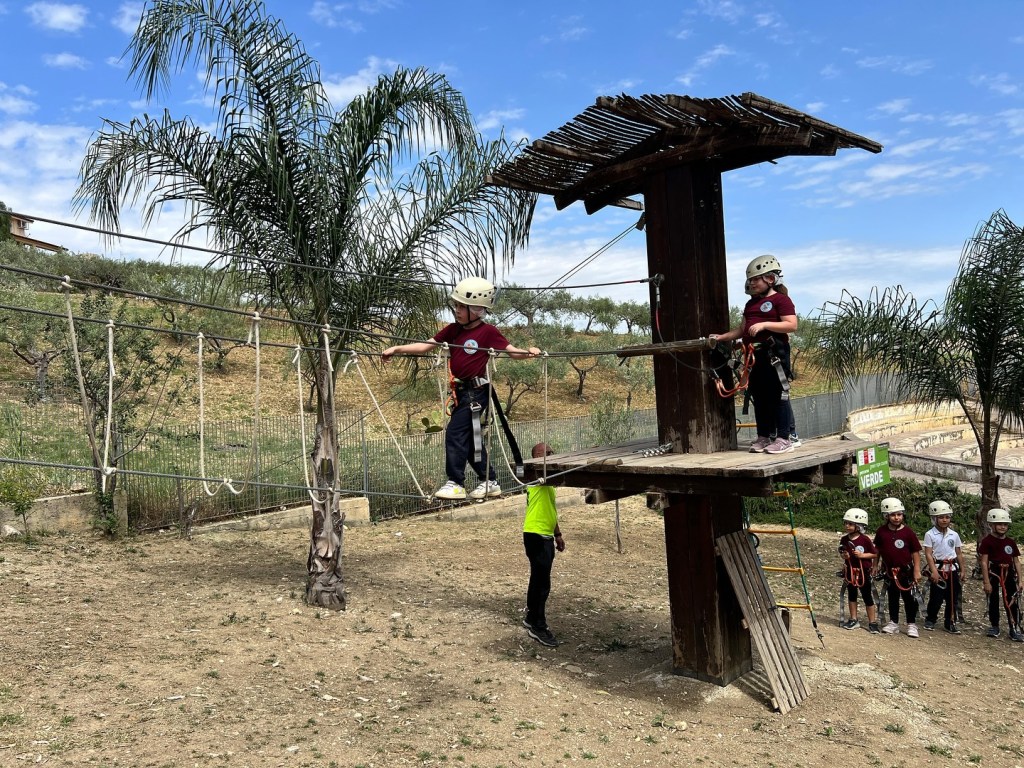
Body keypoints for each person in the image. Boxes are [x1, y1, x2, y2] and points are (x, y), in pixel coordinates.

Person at [382, 277, 540, 500]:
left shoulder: (488, 332)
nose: (456, 310)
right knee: (469, 439)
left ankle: (456, 482)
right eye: (455, 305)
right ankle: (489, 480)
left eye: (460, 306)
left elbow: (512, 351)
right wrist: (397, 348)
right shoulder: (453, 331)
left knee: (455, 434)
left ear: (476, 309)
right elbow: (427, 346)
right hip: (461, 393)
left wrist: (529, 352)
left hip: (477, 392)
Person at [710, 254, 798, 455]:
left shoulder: (781, 300)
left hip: (773, 353)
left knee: (778, 395)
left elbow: (791, 325)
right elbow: (742, 330)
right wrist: (722, 337)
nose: (752, 283)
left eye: (755, 279)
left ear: (770, 279)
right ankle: (764, 436)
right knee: (759, 396)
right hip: (754, 356)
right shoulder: (751, 305)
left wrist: (764, 324)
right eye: (750, 279)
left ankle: (784, 438)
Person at [522, 442, 564, 648]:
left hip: (545, 535)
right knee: (542, 583)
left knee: (538, 579)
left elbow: (551, 509)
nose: (551, 455)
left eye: (552, 452)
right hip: (536, 534)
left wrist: (558, 534)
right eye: (546, 453)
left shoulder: (548, 484)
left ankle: (531, 618)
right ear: (536, 458)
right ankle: (538, 626)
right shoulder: (535, 478)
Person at [873, 497, 923, 637]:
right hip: (890, 572)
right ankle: (893, 622)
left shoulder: (908, 532)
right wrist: (875, 565)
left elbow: (915, 552)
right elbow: (877, 550)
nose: (896, 517)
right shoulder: (881, 532)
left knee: (909, 598)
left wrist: (917, 570)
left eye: (899, 514)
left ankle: (911, 624)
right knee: (892, 597)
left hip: (906, 572)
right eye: (893, 515)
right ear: (886, 516)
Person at [978, 508, 1024, 642]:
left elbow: (1016, 561)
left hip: (1009, 572)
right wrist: (986, 581)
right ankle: (994, 626)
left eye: (1005, 524)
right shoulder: (987, 541)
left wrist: (1020, 580)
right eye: (999, 524)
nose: (1003, 527)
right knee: (993, 599)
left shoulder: (1010, 542)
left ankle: (1014, 627)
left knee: (1012, 600)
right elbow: (984, 562)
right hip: (994, 572)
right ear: (992, 525)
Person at [922, 500, 965, 634]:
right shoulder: (930, 534)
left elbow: (958, 553)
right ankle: (931, 619)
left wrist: (963, 570)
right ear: (934, 518)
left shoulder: (954, 534)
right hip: (939, 568)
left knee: (953, 598)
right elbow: (928, 554)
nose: (944, 520)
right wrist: (934, 571)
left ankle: (950, 621)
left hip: (952, 569)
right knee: (936, 597)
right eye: (941, 517)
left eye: (947, 517)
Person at [838, 507, 879, 633]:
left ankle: (872, 622)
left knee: (867, 596)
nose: (847, 526)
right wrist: (845, 556)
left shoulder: (864, 539)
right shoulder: (844, 539)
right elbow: (842, 552)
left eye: (850, 524)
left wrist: (862, 555)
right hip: (851, 571)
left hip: (863, 572)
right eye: (846, 523)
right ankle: (853, 619)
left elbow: (874, 554)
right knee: (852, 595)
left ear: (859, 526)